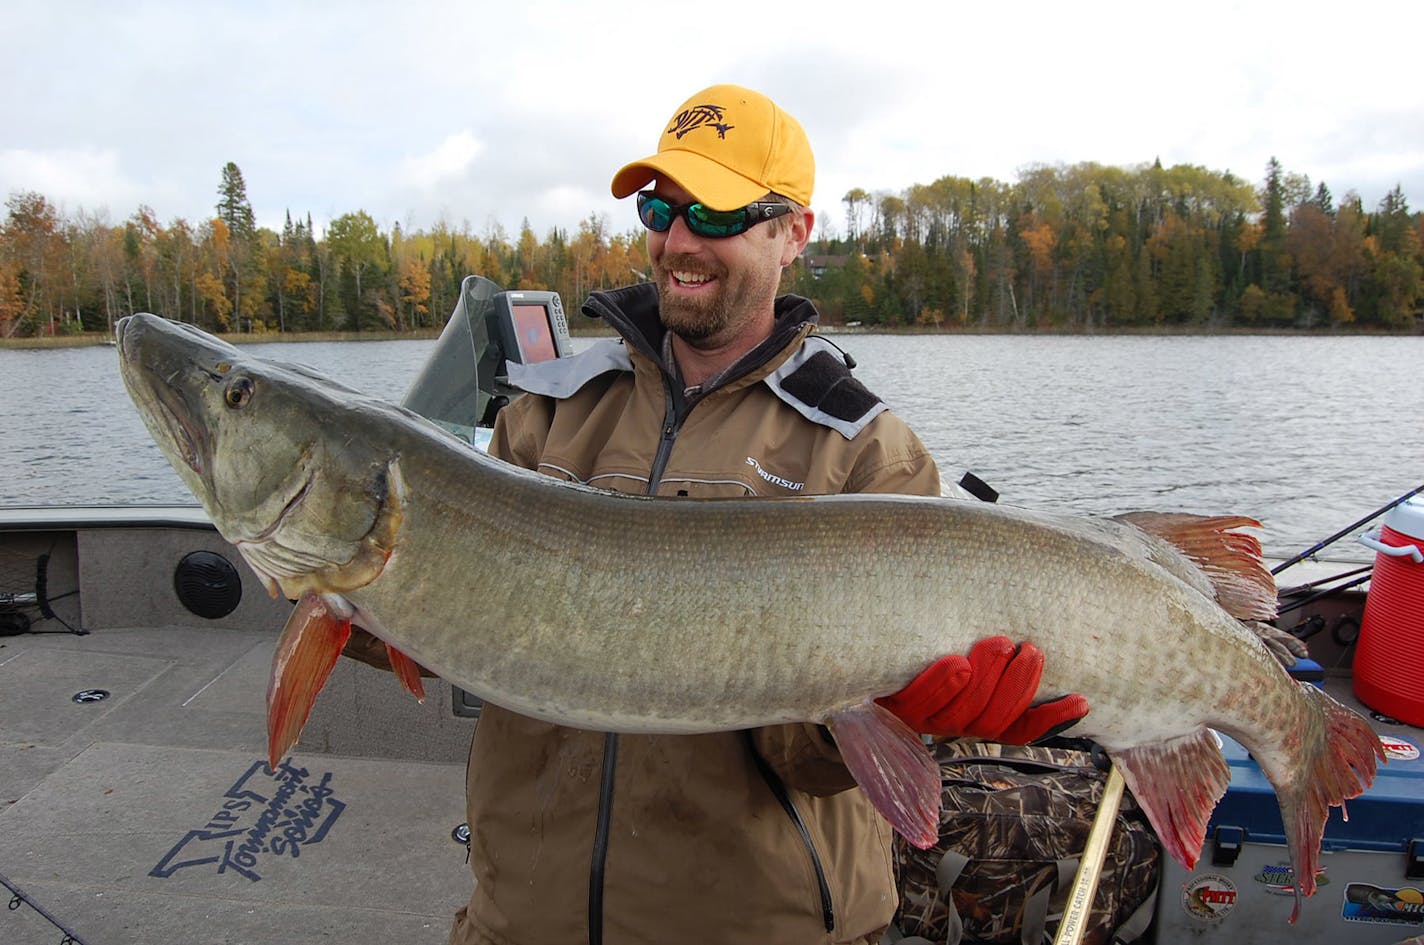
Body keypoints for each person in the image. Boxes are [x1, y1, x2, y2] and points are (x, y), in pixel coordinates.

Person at [350, 83, 1087, 945]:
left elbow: (829, 760)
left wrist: (908, 705)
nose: (679, 240)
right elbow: (447, 631)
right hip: (521, 923)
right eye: (660, 208)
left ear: (793, 234)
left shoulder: (864, 454)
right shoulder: (547, 415)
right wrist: (332, 572)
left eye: (718, 212)